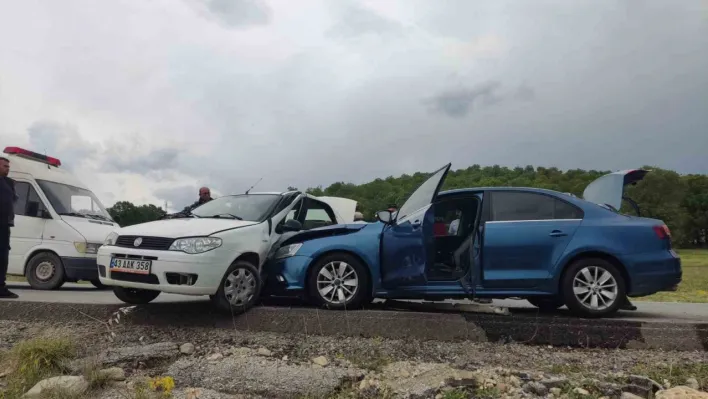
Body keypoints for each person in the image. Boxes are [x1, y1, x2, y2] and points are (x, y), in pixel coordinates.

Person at [0, 156, 18, 298]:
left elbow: (12, 201)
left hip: (4, 225)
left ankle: (1, 287)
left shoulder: (7, 183)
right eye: (5, 166)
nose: (8, 168)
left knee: (3, 256)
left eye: (8, 166)